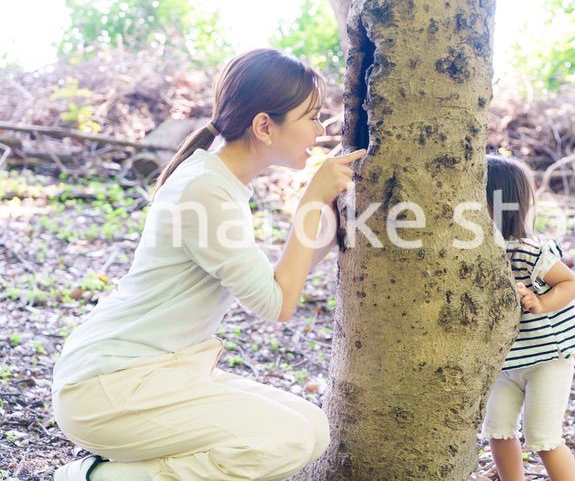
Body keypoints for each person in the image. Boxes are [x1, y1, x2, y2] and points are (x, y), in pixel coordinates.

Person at [51, 48, 366, 481]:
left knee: (311, 429)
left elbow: (278, 278)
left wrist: (331, 226)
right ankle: (96, 478)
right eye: (311, 117)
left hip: (159, 373)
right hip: (110, 386)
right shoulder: (205, 191)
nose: (321, 128)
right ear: (263, 126)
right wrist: (309, 202)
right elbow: (277, 303)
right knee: (287, 439)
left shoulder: (219, 184)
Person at [482, 155, 575, 481]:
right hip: (507, 362)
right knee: (498, 431)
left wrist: (540, 301)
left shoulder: (530, 250)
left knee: (543, 437)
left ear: (501, 203)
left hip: (547, 359)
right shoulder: (476, 249)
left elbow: (571, 283)